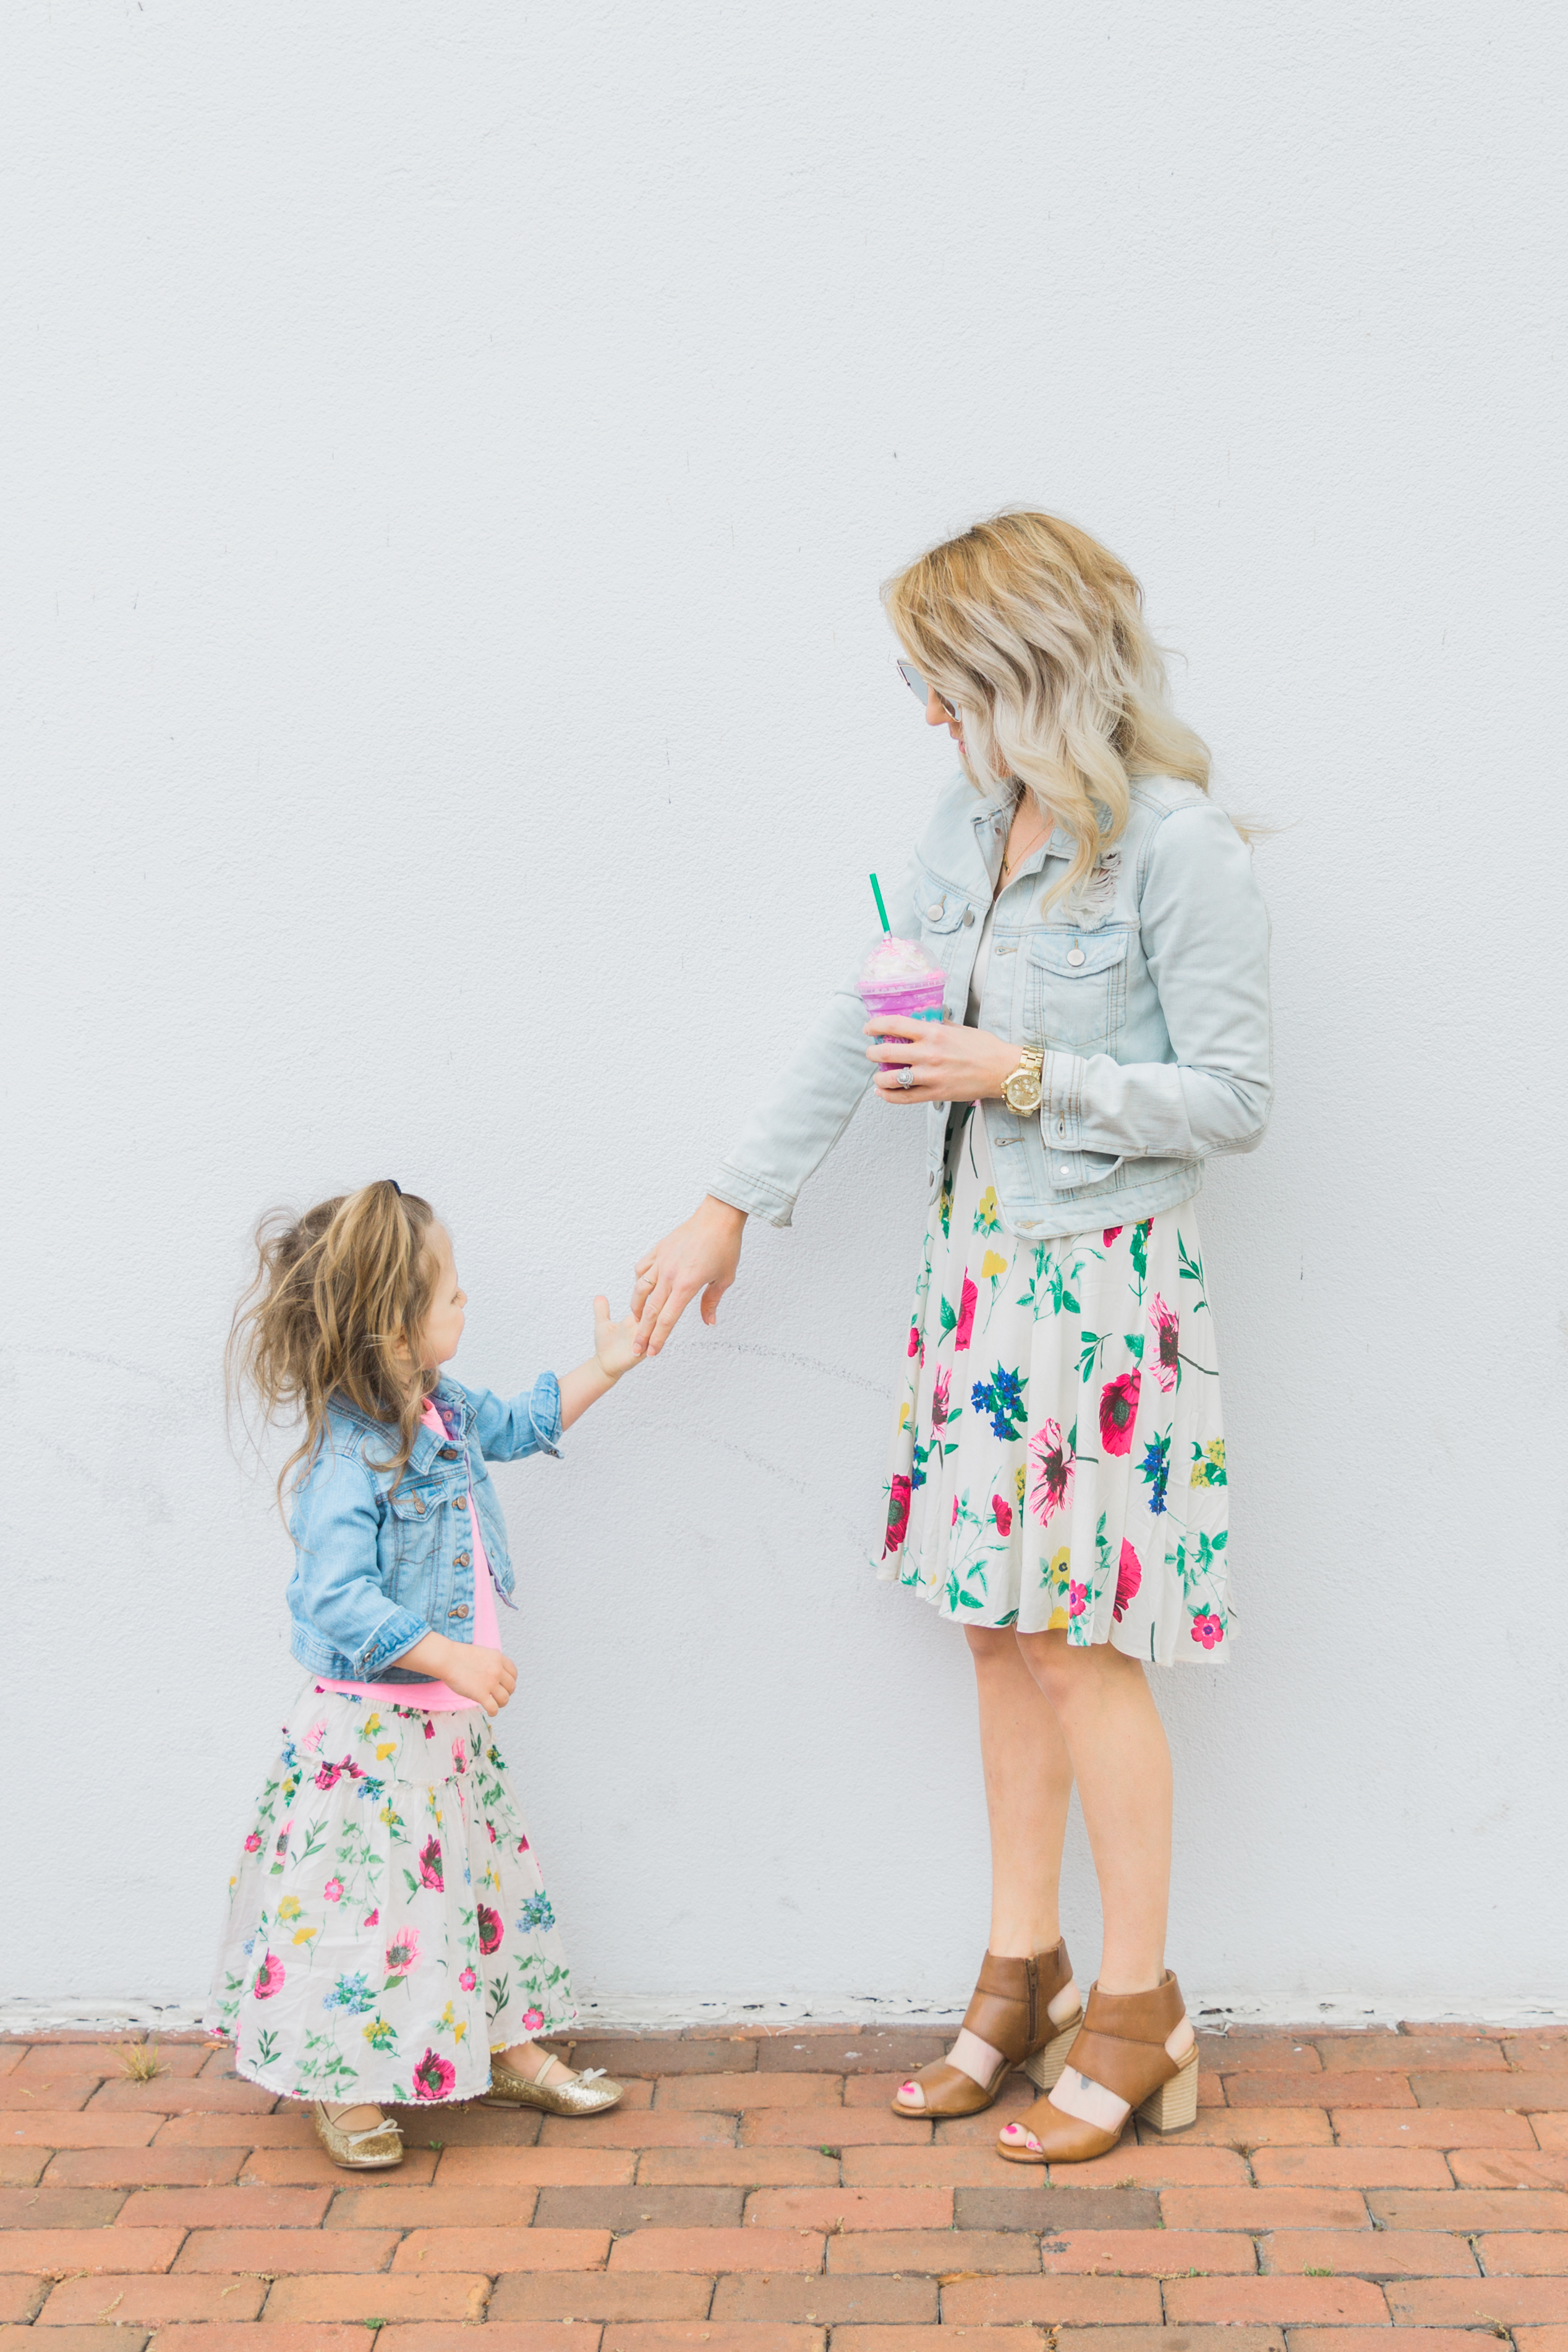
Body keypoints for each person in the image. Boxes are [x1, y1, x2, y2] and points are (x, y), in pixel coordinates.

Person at [630, 509, 1271, 2165]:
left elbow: (1236, 1098)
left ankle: (1140, 2006)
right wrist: (729, 1201)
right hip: (983, 1274)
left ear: (1028, 671)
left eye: (946, 683)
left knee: (1081, 1644)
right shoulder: (974, 814)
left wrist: (1027, 1073)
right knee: (992, 1632)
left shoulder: (1182, 848)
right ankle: (1023, 1967)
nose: (929, 715)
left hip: (1105, 1288)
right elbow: (872, 1012)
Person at [209, 1180, 642, 2168]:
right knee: (367, 1908)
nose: (463, 1307)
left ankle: (509, 2040)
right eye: (449, 1295)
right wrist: (448, 1652)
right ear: (394, 1325)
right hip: (369, 1741)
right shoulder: (348, 1459)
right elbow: (334, 1599)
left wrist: (605, 1367)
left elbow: (521, 1425)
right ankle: (343, 2081)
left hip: (442, 1730)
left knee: (474, 1888)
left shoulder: (439, 1405)